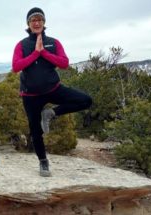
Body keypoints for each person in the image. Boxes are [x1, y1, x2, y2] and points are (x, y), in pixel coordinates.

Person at [12, 7, 92, 177]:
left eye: (40, 19)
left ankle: (51, 113)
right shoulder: (22, 45)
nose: (36, 22)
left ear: (44, 23)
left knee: (86, 100)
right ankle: (43, 162)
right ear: (28, 24)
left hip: (53, 89)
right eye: (33, 20)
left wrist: (44, 52)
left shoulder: (54, 43)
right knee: (35, 131)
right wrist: (35, 53)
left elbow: (64, 63)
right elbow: (16, 67)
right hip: (30, 96)